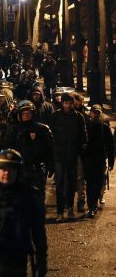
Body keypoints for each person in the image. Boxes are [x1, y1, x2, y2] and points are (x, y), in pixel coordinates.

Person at [49, 92, 87, 222]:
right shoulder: (56, 116)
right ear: (62, 103)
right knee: (59, 183)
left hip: (72, 155)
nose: (67, 105)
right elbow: (51, 134)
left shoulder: (78, 117)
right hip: (59, 155)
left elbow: (83, 136)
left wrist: (79, 149)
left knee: (71, 183)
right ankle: (60, 211)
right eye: (65, 102)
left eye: (70, 103)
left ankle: (70, 206)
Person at [81, 105, 113, 217]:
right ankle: (91, 206)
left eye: (98, 113)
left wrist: (111, 161)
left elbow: (110, 145)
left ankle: (93, 204)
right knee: (90, 184)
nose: (95, 115)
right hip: (89, 160)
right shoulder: (86, 126)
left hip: (100, 160)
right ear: (91, 113)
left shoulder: (104, 127)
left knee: (99, 183)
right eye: (94, 112)